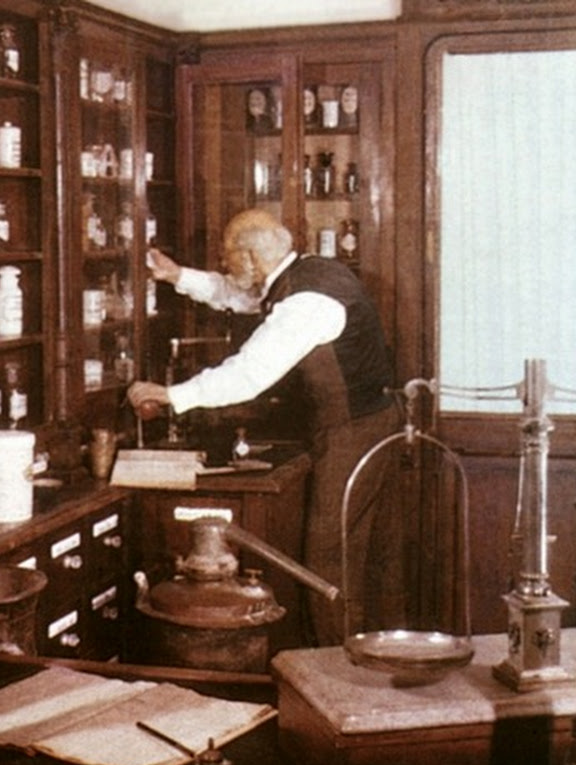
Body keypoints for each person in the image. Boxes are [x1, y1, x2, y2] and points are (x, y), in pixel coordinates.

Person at [127, 208, 400, 646]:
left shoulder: (305, 303)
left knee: (327, 558)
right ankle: (348, 655)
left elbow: (248, 374)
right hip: (363, 423)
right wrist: (178, 276)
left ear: (251, 258)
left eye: (228, 257)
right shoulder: (305, 272)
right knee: (348, 552)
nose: (224, 264)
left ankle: (334, 666)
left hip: (355, 431)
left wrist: (172, 395)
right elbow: (237, 294)